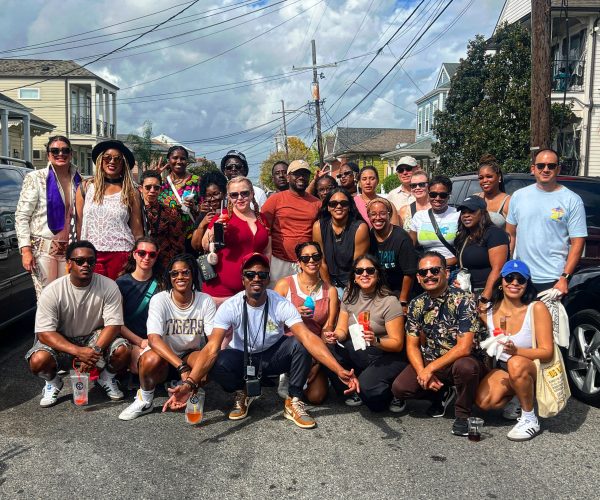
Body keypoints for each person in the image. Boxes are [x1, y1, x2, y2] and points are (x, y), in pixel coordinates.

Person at [161, 253, 360, 429]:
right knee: (218, 361)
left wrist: (338, 370)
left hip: (273, 356)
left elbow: (307, 337)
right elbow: (211, 347)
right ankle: (242, 392)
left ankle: (294, 400)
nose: (256, 278)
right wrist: (189, 384)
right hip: (242, 357)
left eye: (262, 275)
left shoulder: (280, 303)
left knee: (300, 343)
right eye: (250, 274)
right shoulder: (231, 306)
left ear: (268, 279)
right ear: (243, 279)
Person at [391, 251, 487, 436]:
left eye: (434, 270)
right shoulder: (416, 304)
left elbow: (464, 347)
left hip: (464, 360)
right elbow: (412, 345)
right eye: (423, 272)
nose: (429, 275)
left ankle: (463, 414)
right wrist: (422, 371)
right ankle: (441, 392)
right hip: (433, 358)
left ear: (446, 273)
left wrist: (429, 369)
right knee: (400, 388)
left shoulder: (464, 300)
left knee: (465, 368)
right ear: (418, 278)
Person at [25, 241, 130, 407]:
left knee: (123, 350)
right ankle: (53, 382)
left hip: (93, 337)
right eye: (79, 261)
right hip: (63, 339)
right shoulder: (52, 291)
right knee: (38, 360)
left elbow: (114, 325)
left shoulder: (109, 286)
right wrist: (79, 352)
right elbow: (44, 333)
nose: (86, 265)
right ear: (68, 263)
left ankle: (106, 378)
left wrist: (94, 351)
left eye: (91, 261)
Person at [118, 254, 216, 420]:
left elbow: (212, 341)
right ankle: (145, 400)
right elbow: (154, 339)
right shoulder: (160, 299)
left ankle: (184, 388)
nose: (180, 277)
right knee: (150, 359)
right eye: (174, 273)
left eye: (185, 272)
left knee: (208, 364)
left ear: (193, 274)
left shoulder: (205, 300)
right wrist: (182, 368)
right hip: (163, 356)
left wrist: (194, 377)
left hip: (188, 354)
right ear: (169, 277)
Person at [476, 260, 554, 441]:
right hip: (504, 367)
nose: (515, 283)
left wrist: (516, 351)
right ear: (501, 282)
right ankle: (518, 395)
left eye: (521, 280)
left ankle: (529, 418)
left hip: (533, 367)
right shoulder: (488, 311)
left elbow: (547, 352)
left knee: (516, 363)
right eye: (510, 278)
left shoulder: (536, 308)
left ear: (527, 284)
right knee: (484, 402)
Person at [326, 255, 406, 412]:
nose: (364, 274)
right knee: (328, 350)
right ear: (354, 277)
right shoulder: (349, 295)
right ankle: (352, 390)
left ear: (378, 275)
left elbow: (397, 344)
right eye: (359, 271)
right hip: (362, 349)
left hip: (386, 354)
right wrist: (335, 336)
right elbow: (342, 330)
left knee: (375, 404)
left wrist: (376, 340)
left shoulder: (389, 301)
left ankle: (395, 392)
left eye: (370, 270)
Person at [506, 148, 587, 295]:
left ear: (558, 169)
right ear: (533, 169)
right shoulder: (518, 197)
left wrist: (565, 277)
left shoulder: (572, 200)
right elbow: (510, 235)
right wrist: (508, 269)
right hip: (521, 277)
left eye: (551, 166)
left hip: (554, 279)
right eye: (541, 165)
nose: (546, 169)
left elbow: (578, 243)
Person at [16, 135, 82, 298]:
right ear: (48, 155)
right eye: (55, 151)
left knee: (68, 299)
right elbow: (22, 216)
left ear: (71, 154)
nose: (60, 154)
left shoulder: (79, 180)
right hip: (43, 251)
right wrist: (26, 250)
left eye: (65, 150)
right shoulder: (36, 178)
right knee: (47, 300)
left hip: (70, 250)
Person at [274, 241, 339, 404]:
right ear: (299, 262)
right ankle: (287, 372)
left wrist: (317, 361)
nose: (311, 261)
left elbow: (328, 327)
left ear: (321, 259)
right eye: (305, 258)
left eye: (316, 256)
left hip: (315, 347)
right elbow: (270, 320)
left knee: (316, 397)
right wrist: (293, 312)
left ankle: (314, 370)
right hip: (289, 346)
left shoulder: (330, 291)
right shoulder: (285, 285)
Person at [76, 140, 143, 280]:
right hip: (91, 254)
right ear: (100, 160)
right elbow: (79, 224)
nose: (112, 161)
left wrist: (141, 255)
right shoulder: (85, 187)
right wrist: (77, 252)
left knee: (118, 292)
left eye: (117, 159)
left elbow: (137, 230)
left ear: (123, 163)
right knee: (92, 293)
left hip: (121, 253)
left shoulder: (131, 192)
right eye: (107, 158)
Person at [201, 176, 270, 305]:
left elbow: (267, 251)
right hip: (221, 289)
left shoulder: (262, 218)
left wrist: (265, 275)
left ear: (252, 194)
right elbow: (204, 244)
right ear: (228, 197)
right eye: (234, 195)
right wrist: (216, 230)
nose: (240, 198)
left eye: (244, 193)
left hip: (253, 289)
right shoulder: (222, 216)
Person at [262, 159, 321, 285]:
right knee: (277, 295)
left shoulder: (317, 203)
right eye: (296, 174)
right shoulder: (275, 200)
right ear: (288, 177)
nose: (301, 177)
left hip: (306, 261)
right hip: (279, 261)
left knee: (305, 296)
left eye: (305, 174)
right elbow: (264, 229)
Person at [116, 237, 163, 374]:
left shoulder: (163, 283)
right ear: (134, 254)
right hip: (130, 339)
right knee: (143, 367)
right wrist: (140, 342)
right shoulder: (121, 283)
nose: (146, 257)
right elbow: (116, 322)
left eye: (152, 254)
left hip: (156, 339)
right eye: (142, 253)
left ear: (156, 257)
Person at [312, 188, 370, 294]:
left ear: (349, 207)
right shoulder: (318, 226)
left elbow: (357, 265)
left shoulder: (360, 228)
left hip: (353, 280)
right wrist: (330, 290)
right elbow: (321, 262)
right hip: (327, 279)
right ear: (328, 207)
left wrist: (348, 292)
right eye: (333, 204)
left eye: (344, 203)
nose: (338, 206)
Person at [454, 196, 509, 305]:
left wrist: (485, 298)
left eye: (471, 211)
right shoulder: (464, 237)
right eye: (463, 212)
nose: (466, 215)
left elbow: (498, 269)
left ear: (482, 212)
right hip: (468, 293)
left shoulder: (494, 233)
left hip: (489, 293)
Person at [367, 198, 417, 309]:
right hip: (378, 291)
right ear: (369, 217)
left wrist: (403, 301)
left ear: (389, 215)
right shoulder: (368, 236)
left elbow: (409, 273)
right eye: (373, 214)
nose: (378, 218)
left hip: (399, 290)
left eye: (382, 213)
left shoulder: (401, 237)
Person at [157, 145, 201, 255]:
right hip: (166, 239)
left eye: (183, 158)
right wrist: (154, 176)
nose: (179, 161)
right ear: (168, 160)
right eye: (175, 158)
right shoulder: (161, 184)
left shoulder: (196, 181)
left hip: (190, 237)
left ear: (187, 161)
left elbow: (207, 207)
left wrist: (194, 207)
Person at [409, 175, 460, 268]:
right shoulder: (419, 216)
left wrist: (442, 264)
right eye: (433, 194)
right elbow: (409, 247)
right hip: (427, 270)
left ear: (449, 196)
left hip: (452, 268)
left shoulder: (458, 215)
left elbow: (466, 248)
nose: (437, 198)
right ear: (428, 194)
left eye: (443, 195)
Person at [139, 170, 186, 269]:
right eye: (148, 187)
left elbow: (178, 244)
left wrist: (170, 266)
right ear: (140, 189)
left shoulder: (170, 212)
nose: (152, 191)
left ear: (160, 190)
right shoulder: (135, 212)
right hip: (139, 262)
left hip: (163, 264)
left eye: (156, 188)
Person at [190, 170, 227, 253]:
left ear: (224, 193)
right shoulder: (204, 215)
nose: (212, 199)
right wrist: (202, 224)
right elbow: (195, 246)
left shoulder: (231, 212)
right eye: (208, 196)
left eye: (216, 194)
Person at [475, 154, 511, 229]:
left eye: (489, 176)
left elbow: (512, 233)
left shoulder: (508, 202)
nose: (484, 180)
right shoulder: (474, 199)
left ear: (499, 177)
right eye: (481, 178)